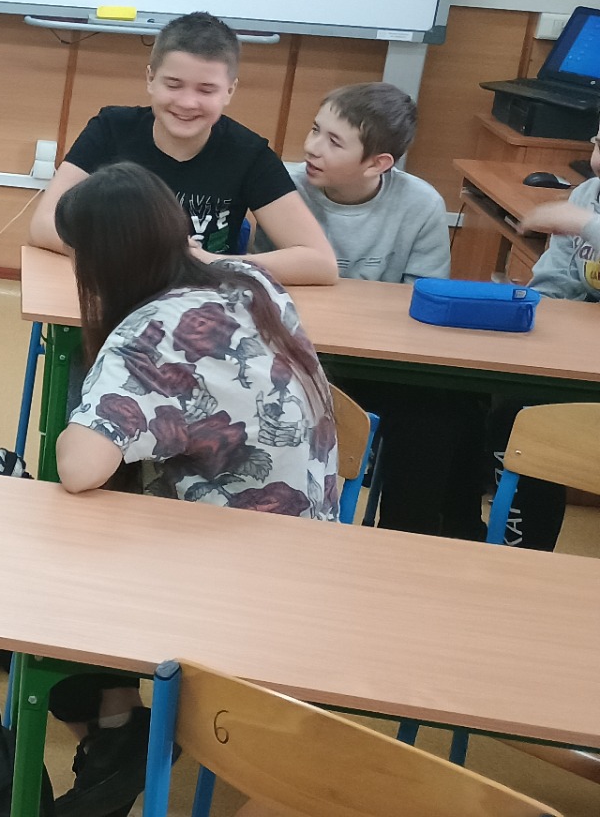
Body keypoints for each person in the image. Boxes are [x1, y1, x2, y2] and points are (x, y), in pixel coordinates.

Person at [48, 162, 339, 817]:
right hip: (311, 544)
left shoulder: (147, 335)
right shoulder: (249, 277)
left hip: (236, 573)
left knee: (60, 557)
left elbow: (79, 468)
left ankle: (119, 724)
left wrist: (82, 409)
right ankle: (118, 718)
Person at [256, 83, 487, 537]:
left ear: (378, 163)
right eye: (315, 130)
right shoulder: (282, 188)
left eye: (334, 141)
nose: (312, 147)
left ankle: (407, 535)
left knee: (443, 407)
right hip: (298, 351)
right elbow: (267, 280)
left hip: (381, 359)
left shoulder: (420, 203)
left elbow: (421, 302)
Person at [30, 11, 338, 287]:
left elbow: (320, 263)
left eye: (206, 90)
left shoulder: (249, 154)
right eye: (174, 85)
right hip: (115, 292)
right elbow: (44, 225)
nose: (188, 103)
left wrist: (210, 262)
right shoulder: (111, 129)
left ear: (229, 91)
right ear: (151, 79)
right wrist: (146, 256)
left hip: (202, 307)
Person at [486, 128, 600, 550]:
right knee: (513, 406)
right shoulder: (587, 194)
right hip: (578, 356)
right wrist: (534, 323)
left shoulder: (584, 213)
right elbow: (557, 280)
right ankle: (520, 547)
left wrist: (586, 225)